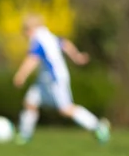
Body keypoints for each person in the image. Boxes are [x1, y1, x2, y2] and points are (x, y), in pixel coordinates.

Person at [13, 14, 110, 145]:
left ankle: (98, 126)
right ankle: (25, 135)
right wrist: (77, 56)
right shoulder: (48, 36)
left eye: (24, 31)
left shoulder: (38, 39)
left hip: (55, 79)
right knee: (30, 102)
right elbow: (65, 43)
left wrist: (21, 75)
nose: (24, 35)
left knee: (66, 109)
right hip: (45, 79)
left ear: (30, 29)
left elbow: (32, 59)